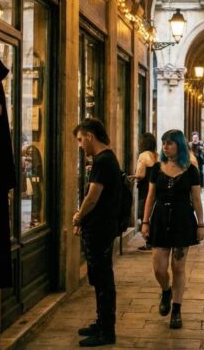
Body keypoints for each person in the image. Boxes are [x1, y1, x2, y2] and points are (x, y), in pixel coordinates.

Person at [141, 130, 204, 329]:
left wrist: (201, 224)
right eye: (163, 144)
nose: (165, 147)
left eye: (169, 143)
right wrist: (145, 222)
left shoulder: (190, 169)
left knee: (178, 267)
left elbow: (196, 199)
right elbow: (150, 197)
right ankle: (166, 290)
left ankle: (176, 310)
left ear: (179, 145)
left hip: (183, 220)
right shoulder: (157, 168)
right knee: (159, 268)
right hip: (160, 218)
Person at [72, 118, 123, 347]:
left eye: (81, 140)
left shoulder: (103, 161)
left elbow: (93, 196)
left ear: (90, 136)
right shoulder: (105, 159)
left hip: (101, 227)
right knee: (100, 278)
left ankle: (106, 331)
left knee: (103, 279)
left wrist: (78, 215)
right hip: (101, 226)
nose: (81, 145)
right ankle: (101, 322)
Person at [130, 133, 158, 252]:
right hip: (156, 188)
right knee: (153, 214)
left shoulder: (143, 155)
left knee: (144, 214)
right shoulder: (157, 155)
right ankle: (154, 240)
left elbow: (141, 174)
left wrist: (133, 176)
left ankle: (149, 241)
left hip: (145, 188)